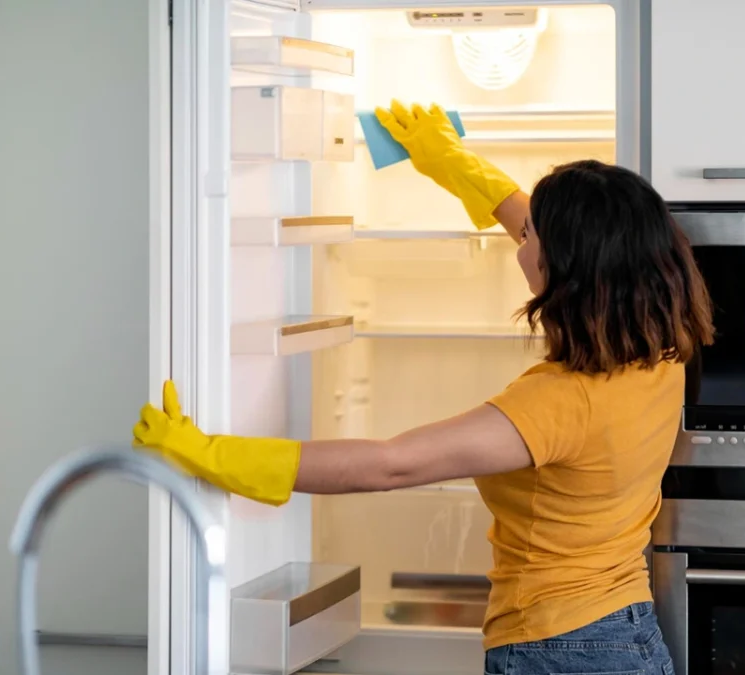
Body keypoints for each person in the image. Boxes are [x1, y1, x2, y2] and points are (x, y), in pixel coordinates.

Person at [133, 100, 714, 675]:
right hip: (626, 631)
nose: (520, 240)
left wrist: (212, 454)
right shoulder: (662, 355)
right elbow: (524, 216)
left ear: (566, 268)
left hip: (557, 647)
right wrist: (446, 158)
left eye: (531, 235)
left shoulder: (558, 403)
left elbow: (390, 465)